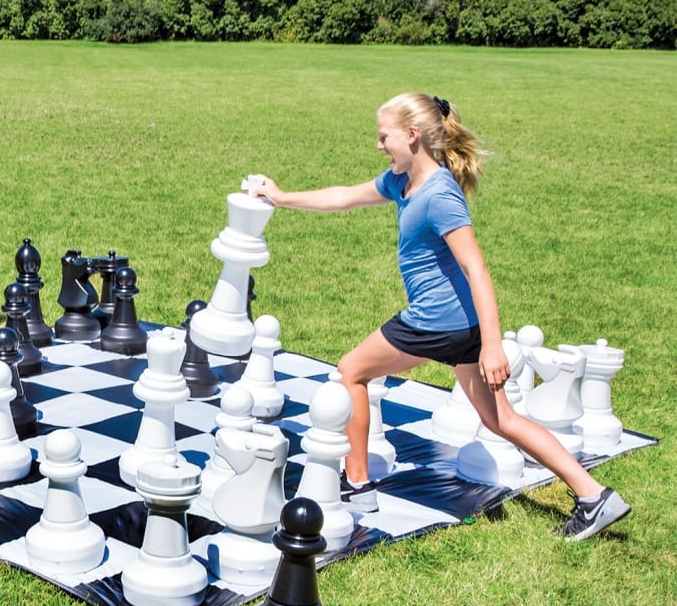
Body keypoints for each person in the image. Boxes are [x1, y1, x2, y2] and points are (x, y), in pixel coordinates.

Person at [248, 92, 630, 541]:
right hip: (459, 323)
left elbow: (477, 269)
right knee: (500, 419)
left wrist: (491, 344)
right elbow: (346, 197)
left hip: (435, 323)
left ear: (412, 136)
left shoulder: (439, 195)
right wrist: (282, 197)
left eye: (383, 136)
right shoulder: (402, 180)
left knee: (351, 371)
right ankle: (594, 496)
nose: (378, 145)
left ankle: (357, 485)